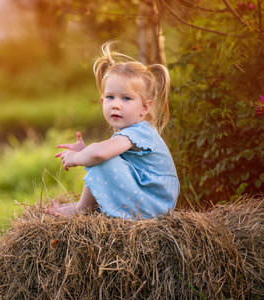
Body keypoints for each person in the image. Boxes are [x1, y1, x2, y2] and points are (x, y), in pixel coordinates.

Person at [47, 41, 179, 219]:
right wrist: (87, 152)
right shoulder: (131, 131)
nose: (116, 105)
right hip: (147, 198)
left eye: (126, 98)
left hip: (154, 205)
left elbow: (99, 154)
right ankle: (79, 207)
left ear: (145, 108)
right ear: (102, 101)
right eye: (110, 97)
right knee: (99, 156)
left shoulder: (140, 131)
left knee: (101, 158)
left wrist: (77, 157)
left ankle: (80, 210)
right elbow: (99, 154)